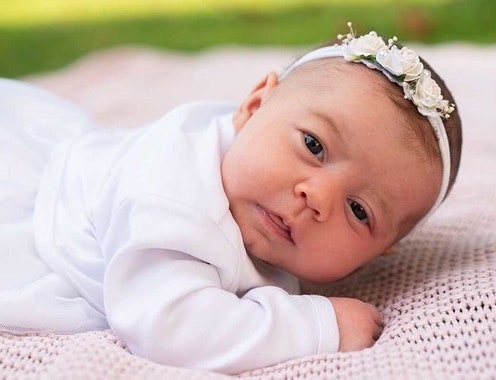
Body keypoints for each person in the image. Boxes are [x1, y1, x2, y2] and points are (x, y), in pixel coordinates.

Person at [0, 24, 462, 374]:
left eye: (359, 211)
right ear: (255, 106)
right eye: (314, 146)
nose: (316, 197)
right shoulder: (174, 200)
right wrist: (320, 326)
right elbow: (167, 327)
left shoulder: (257, 164)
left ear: (378, 255)